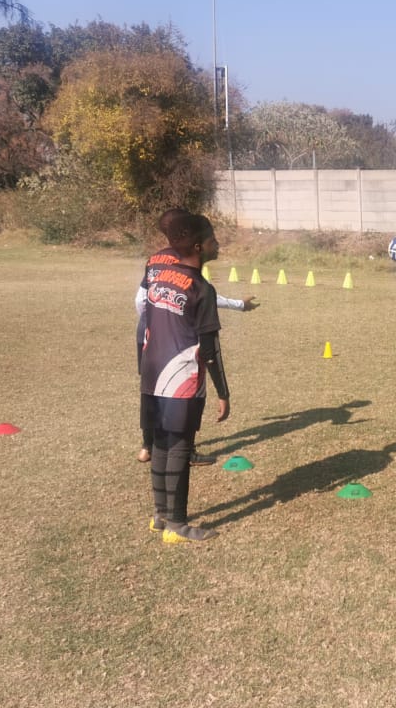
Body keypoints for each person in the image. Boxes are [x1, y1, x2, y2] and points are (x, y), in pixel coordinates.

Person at [135, 209, 257, 465]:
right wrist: (238, 304)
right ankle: (184, 451)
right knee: (180, 395)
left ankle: (147, 446)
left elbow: (140, 300)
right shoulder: (182, 262)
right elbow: (198, 298)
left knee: (152, 392)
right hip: (175, 340)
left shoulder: (154, 259)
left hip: (148, 335)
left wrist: (151, 324)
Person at [140, 212, 232, 543]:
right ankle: (177, 523)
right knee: (179, 447)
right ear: (198, 247)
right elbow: (210, 348)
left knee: (160, 443)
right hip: (181, 377)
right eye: (212, 240)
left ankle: (160, 515)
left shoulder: (158, 275)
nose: (217, 244)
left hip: (152, 373)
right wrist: (223, 393)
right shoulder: (201, 288)